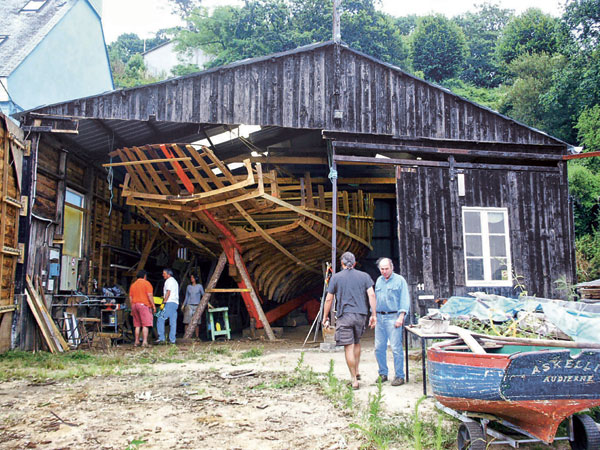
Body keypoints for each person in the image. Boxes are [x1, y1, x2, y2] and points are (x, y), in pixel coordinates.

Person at [322, 251, 376, 390]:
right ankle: (357, 370)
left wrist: (325, 317)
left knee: (349, 346)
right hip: (361, 315)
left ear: (342, 263)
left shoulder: (336, 278)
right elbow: (371, 295)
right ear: (355, 263)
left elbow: (329, 298)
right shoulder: (364, 276)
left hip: (345, 316)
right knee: (357, 342)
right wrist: (373, 314)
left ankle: (354, 380)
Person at [374, 257, 410, 386]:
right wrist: (373, 315)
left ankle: (399, 376)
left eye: (386, 269)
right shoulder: (379, 281)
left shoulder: (400, 281)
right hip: (380, 318)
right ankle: (383, 373)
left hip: (393, 317)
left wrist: (401, 317)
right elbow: (375, 299)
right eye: (381, 269)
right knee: (379, 348)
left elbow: (405, 300)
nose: (384, 271)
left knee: (396, 348)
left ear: (392, 267)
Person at [129, 270, 155, 347]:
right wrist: (153, 305)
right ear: (145, 276)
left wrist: (132, 307)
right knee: (145, 325)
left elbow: (130, 297)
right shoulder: (146, 283)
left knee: (137, 325)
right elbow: (150, 295)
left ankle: (136, 341)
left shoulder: (133, 285)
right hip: (144, 305)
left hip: (134, 305)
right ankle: (144, 342)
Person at [156, 268, 179, 344]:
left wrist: (164, 301)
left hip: (169, 303)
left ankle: (161, 338)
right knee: (173, 322)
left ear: (168, 274)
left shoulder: (168, 281)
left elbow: (168, 292)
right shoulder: (175, 282)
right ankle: (172, 339)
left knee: (160, 318)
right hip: (175, 303)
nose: (163, 275)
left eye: (164, 273)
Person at [182, 273, 205, 339]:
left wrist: (208, 304)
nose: (191, 279)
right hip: (189, 305)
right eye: (191, 277)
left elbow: (203, 295)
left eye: (193, 277)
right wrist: (183, 305)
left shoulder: (199, 286)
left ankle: (197, 337)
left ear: (196, 279)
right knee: (187, 322)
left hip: (197, 305)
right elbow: (187, 297)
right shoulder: (188, 287)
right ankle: (186, 337)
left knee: (197, 323)